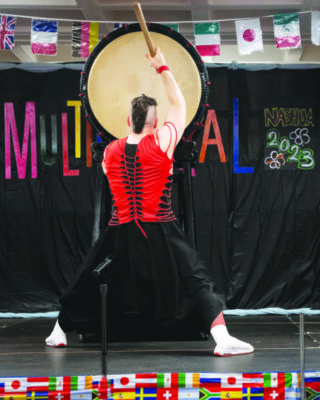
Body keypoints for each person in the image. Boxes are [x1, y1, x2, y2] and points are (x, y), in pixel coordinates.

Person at [45, 47, 254, 357]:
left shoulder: (110, 152)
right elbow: (180, 104)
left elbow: (113, 172)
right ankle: (222, 339)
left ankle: (58, 332)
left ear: (128, 119)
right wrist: (162, 67)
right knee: (196, 277)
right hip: (160, 225)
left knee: (89, 276)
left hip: (121, 229)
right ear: (154, 123)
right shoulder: (163, 141)